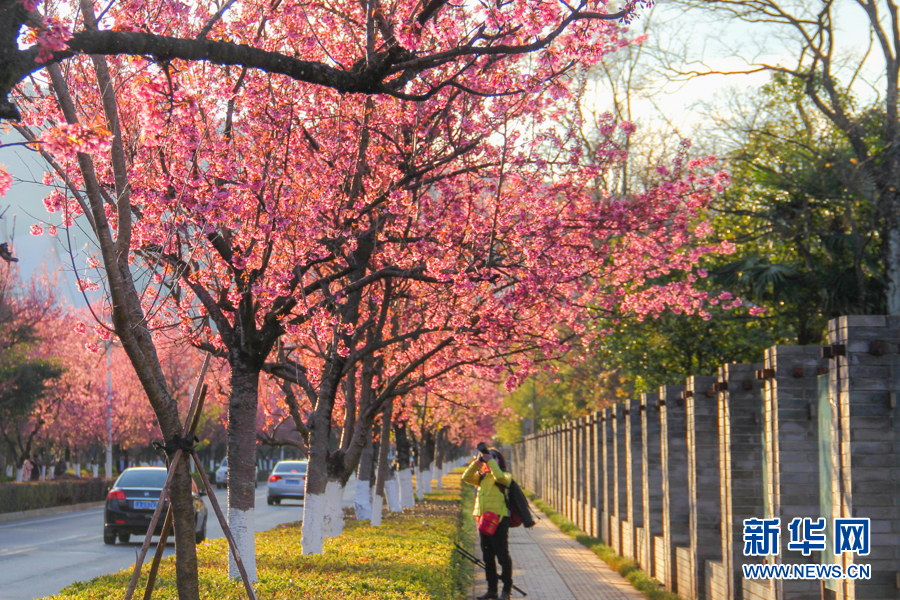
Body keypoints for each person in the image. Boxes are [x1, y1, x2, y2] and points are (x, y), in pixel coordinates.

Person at [462, 445, 514, 600]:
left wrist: (491, 461)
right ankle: (492, 590)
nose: (487, 462)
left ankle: (506, 590)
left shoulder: (505, 476)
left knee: (502, 556)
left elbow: (500, 477)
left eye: (491, 459)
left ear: (497, 461)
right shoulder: (482, 478)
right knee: (488, 557)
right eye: (486, 459)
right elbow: (466, 477)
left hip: (499, 520)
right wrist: (477, 462)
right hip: (484, 521)